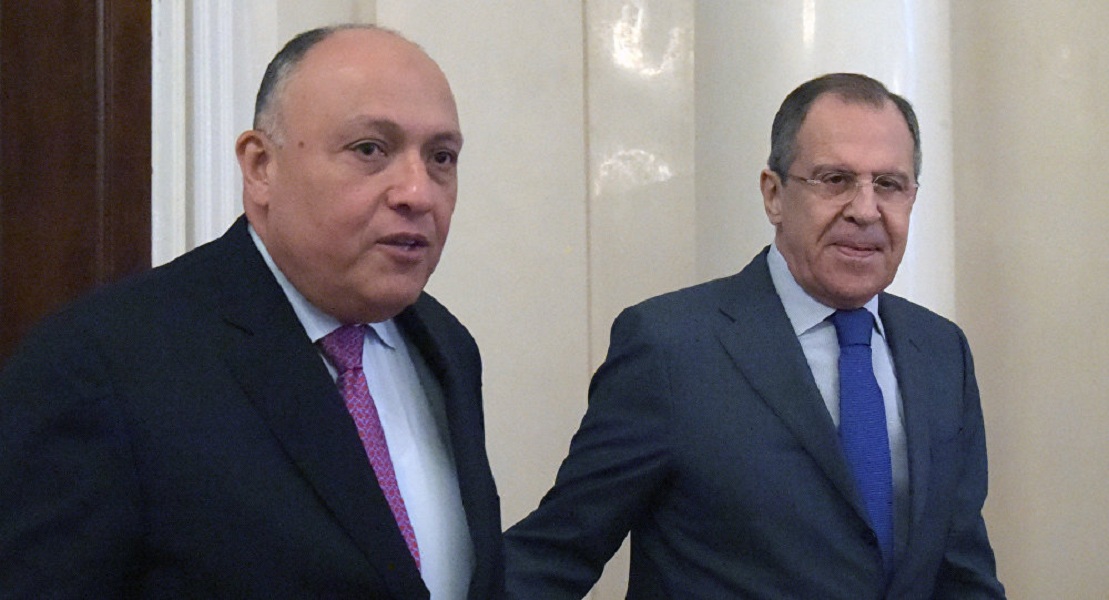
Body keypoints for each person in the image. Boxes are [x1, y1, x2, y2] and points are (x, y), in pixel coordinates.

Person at [0, 24, 503, 598]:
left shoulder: (446, 347)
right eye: (370, 149)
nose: (418, 192)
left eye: (441, 157)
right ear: (261, 166)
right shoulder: (102, 365)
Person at [504, 73, 1005, 598]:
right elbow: (557, 553)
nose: (864, 210)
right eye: (835, 179)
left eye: (889, 184)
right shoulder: (671, 348)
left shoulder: (941, 352)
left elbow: (962, 574)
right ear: (774, 195)